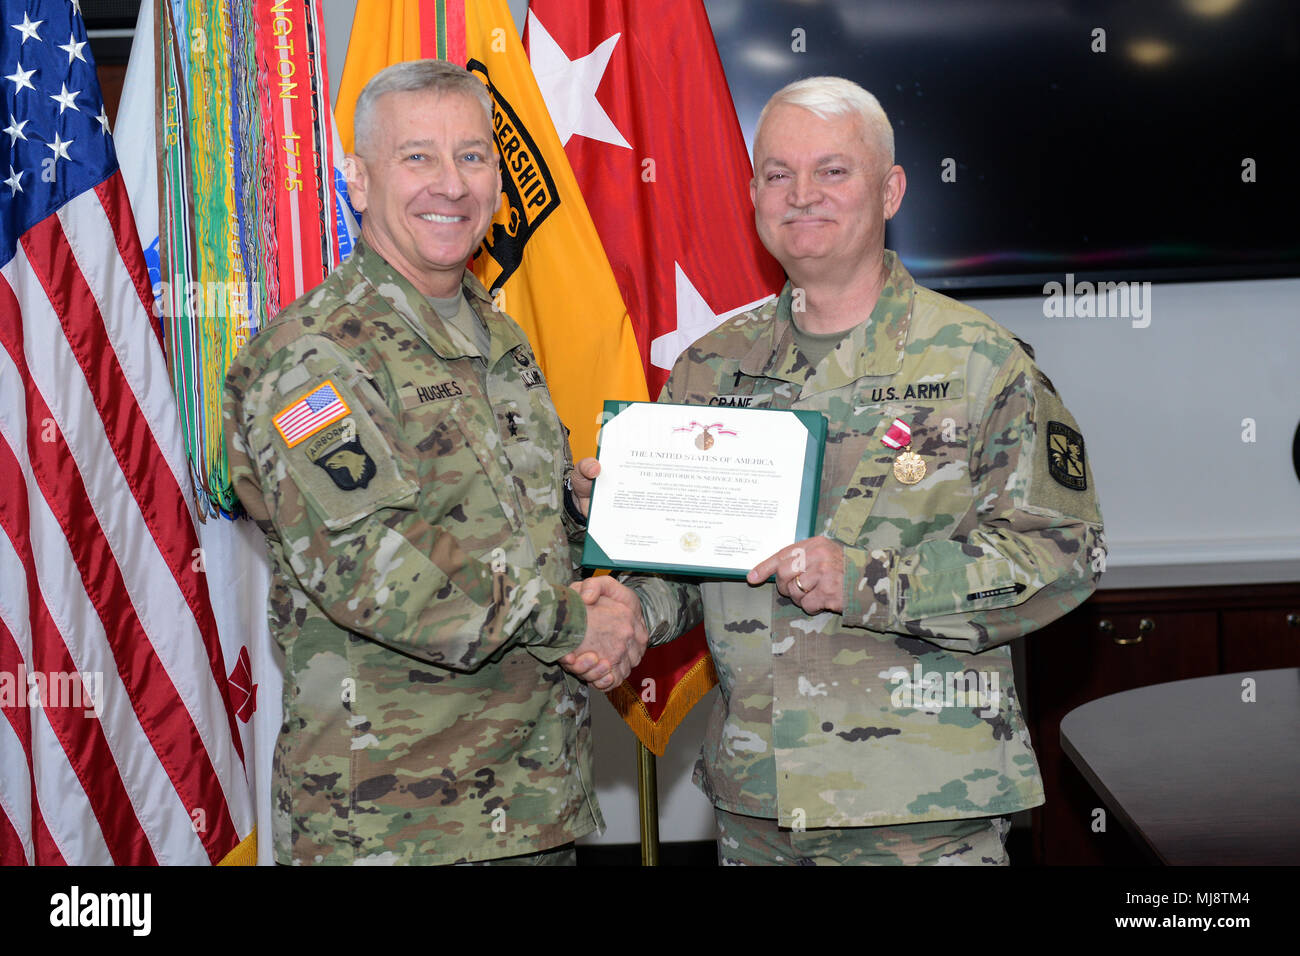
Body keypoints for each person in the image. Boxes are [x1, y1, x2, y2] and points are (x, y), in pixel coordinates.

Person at [581, 76, 1105, 865]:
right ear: (752, 192)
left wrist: (871, 580)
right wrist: (625, 601)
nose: (802, 196)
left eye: (833, 171)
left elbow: (1064, 556)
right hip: (757, 804)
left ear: (890, 190)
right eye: (777, 174)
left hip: (922, 810)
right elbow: (688, 571)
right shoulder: (711, 369)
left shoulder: (980, 362)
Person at [222, 60, 646, 866]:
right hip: (395, 822)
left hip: (530, 800)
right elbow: (374, 562)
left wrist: (582, 503)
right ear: (358, 179)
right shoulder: (315, 354)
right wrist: (574, 620)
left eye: (473, 156)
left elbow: (492, 512)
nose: (449, 185)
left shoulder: (497, 335)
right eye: (417, 157)